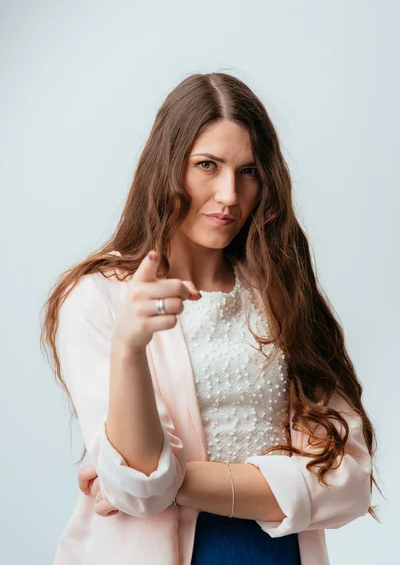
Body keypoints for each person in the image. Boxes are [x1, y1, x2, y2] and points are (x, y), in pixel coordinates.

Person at [41, 72, 382, 565]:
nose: (229, 194)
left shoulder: (279, 291)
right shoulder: (99, 298)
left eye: (248, 171)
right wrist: (130, 347)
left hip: (276, 555)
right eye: (207, 165)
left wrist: (177, 482)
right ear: (167, 169)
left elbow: (347, 480)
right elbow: (140, 484)